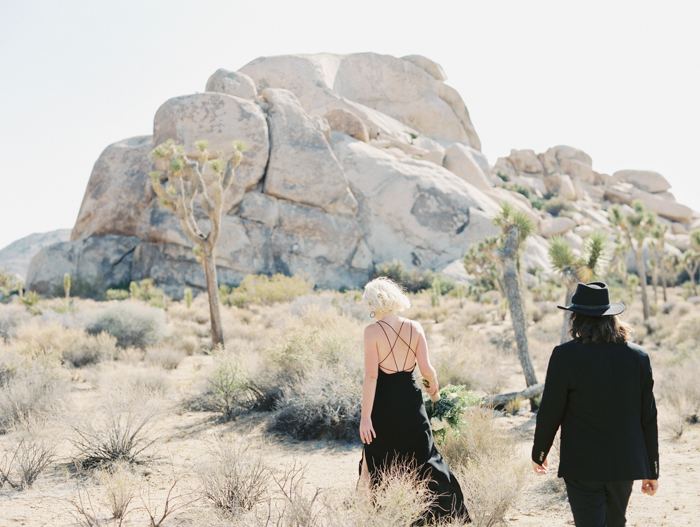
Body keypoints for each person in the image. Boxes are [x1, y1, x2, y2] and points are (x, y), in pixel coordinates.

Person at [532, 282, 659, 527]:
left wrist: (540, 452)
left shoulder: (565, 356)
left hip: (581, 465)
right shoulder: (638, 357)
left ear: (577, 318)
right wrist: (652, 469)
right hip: (624, 463)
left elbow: (550, 411)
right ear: (612, 318)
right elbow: (648, 417)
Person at [358, 277, 469, 523]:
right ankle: (443, 515)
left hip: (383, 404)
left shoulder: (371, 332)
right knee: (423, 455)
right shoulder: (414, 327)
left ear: (371, 302)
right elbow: (427, 370)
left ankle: (381, 515)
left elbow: (371, 377)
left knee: (381, 457)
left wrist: (365, 418)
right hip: (411, 401)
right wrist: (435, 394)